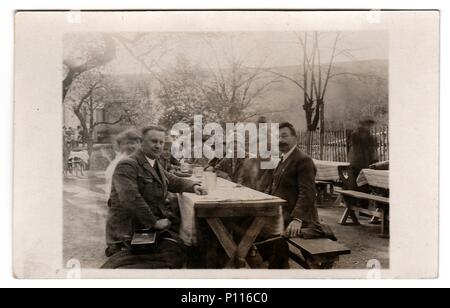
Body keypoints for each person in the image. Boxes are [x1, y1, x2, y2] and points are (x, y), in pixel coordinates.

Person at [102, 125, 207, 269]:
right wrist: (154, 223)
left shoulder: (153, 162)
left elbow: (171, 179)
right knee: (177, 253)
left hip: (144, 225)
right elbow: (131, 199)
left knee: (183, 247)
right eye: (153, 141)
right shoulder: (127, 164)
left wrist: (193, 186)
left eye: (161, 142)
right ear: (142, 142)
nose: (158, 146)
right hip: (130, 230)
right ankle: (118, 266)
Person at [260, 122, 319, 268]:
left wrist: (298, 219)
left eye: (284, 136)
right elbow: (273, 187)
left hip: (297, 217)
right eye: (278, 137)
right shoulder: (283, 159)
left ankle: (278, 269)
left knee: (267, 233)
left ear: (295, 138)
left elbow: (308, 193)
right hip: (281, 213)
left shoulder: (303, 160)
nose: (280, 140)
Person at [104, 129, 142, 201]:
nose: (131, 147)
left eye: (134, 143)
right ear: (120, 146)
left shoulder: (138, 160)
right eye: (127, 143)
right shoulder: (118, 164)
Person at [347, 117, 379, 190]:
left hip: (357, 162)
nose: (370, 127)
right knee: (361, 184)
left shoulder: (355, 134)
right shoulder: (364, 136)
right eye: (369, 125)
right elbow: (373, 151)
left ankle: (356, 199)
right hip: (361, 163)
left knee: (356, 184)